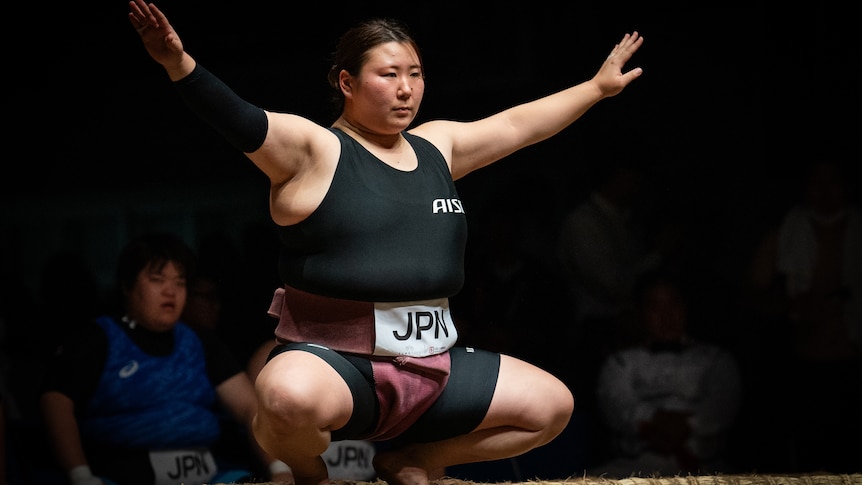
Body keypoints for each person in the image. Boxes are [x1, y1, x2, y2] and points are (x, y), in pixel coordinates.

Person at [128, 1, 644, 483]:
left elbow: (516, 125)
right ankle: (311, 475)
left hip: (435, 363)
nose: (406, 89)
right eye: (390, 74)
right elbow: (240, 120)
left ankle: (415, 459)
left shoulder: (439, 145)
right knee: (284, 397)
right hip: (336, 364)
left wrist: (596, 88)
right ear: (347, 82)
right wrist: (179, 64)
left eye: (415, 75)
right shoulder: (315, 150)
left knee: (552, 408)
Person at [39, 232, 293, 485]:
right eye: (157, 279)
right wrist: (80, 475)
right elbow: (56, 402)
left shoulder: (200, 342)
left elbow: (249, 408)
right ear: (127, 286)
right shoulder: (97, 339)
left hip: (210, 474)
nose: (170, 291)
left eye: (180, 282)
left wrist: (279, 468)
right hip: (119, 475)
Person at [744, 158, 862, 473]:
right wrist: (792, 305)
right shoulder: (784, 233)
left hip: (854, 361)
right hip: (805, 367)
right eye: (816, 183)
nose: (824, 192)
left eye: (833, 182)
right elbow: (754, 295)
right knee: (813, 463)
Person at [589, 269, 742, 478]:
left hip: (705, 465)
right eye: (655, 306)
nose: (666, 315)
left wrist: (687, 425)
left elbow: (722, 405)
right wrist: (655, 421)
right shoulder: (620, 363)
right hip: (636, 466)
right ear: (640, 313)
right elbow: (617, 406)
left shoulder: (716, 359)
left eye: (673, 304)